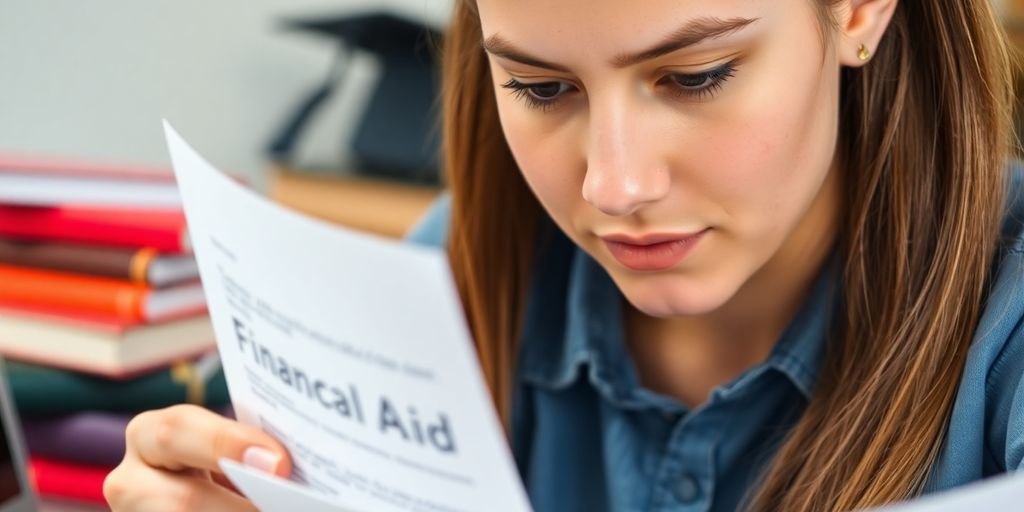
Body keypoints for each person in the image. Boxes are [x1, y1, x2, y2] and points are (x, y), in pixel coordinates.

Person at [103, 0, 1024, 510]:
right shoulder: (449, 280)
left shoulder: (1006, 317)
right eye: (541, 88)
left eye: (695, 76)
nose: (615, 187)